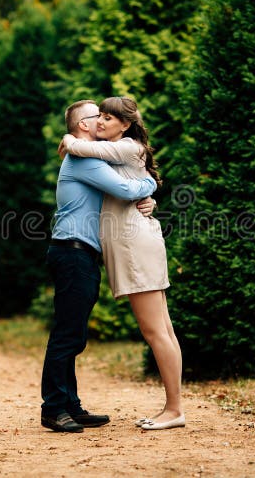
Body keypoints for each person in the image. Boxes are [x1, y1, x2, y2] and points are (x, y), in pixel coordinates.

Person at [60, 96, 185, 431]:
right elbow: (131, 185)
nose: (101, 122)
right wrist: (148, 191)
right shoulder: (124, 150)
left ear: (126, 125)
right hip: (137, 239)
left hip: (133, 244)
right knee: (163, 328)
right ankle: (174, 407)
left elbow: (89, 152)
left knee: (154, 329)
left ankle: (174, 410)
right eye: (99, 116)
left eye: (109, 119)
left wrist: (70, 140)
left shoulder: (126, 147)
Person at [41, 99, 157, 433]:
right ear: (82, 126)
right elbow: (125, 188)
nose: (104, 121)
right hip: (73, 253)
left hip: (80, 254)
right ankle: (53, 408)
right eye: (97, 116)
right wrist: (150, 184)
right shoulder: (81, 156)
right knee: (67, 335)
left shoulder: (89, 156)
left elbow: (126, 187)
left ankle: (70, 405)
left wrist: (147, 197)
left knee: (74, 334)